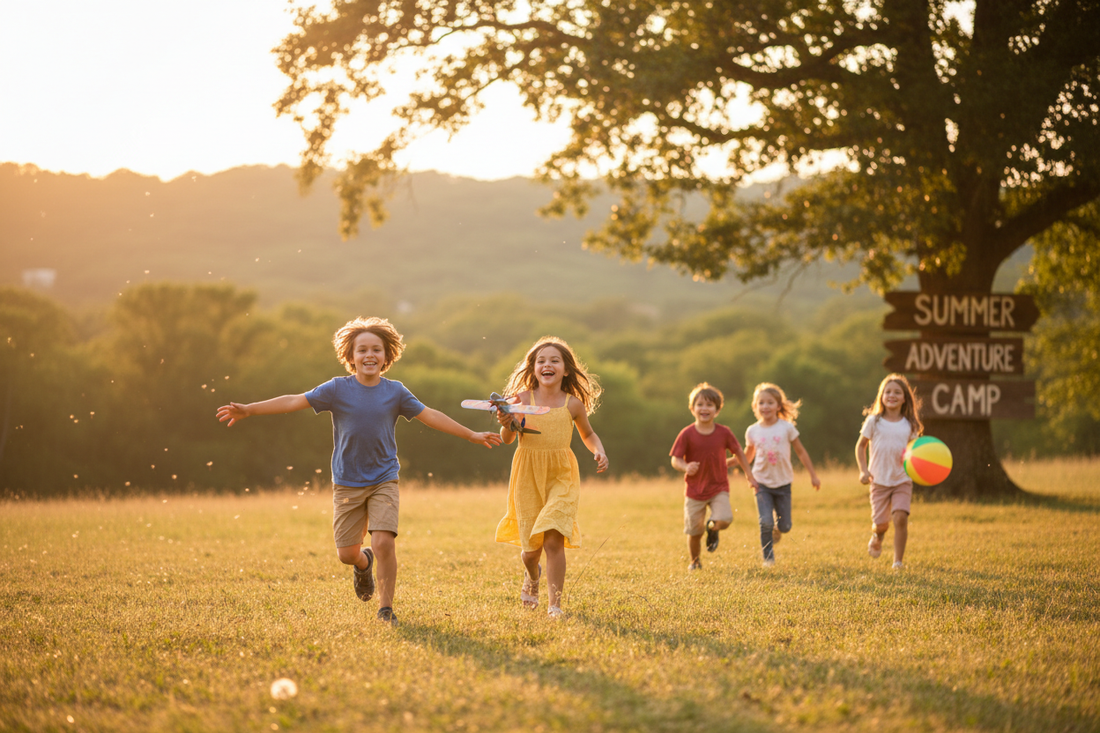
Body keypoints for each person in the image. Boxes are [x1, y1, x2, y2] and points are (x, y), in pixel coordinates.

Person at [216, 316, 501, 626]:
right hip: (347, 482)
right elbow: (295, 400)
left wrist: (471, 435)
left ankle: (386, 609)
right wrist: (250, 409)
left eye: (376, 350)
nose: (369, 355)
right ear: (350, 357)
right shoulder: (337, 389)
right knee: (347, 553)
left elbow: (429, 415)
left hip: (384, 478)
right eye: (362, 350)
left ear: (386, 356)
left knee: (383, 543)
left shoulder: (395, 392)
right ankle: (363, 564)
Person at [494, 336, 608, 618]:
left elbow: (588, 434)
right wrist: (507, 422)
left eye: (554, 360)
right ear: (533, 368)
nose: (548, 364)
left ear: (566, 369)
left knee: (554, 539)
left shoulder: (573, 404)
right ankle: (532, 576)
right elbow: (508, 439)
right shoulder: (520, 400)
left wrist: (599, 450)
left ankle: (554, 605)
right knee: (531, 551)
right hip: (528, 475)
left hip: (562, 474)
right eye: (541, 361)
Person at [670, 383, 757, 571]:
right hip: (694, 491)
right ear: (692, 408)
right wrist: (685, 466)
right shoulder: (687, 434)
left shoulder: (723, 432)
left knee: (725, 519)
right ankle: (695, 561)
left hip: (719, 487)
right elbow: (675, 460)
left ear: (717, 410)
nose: (704, 408)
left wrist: (749, 476)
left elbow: (739, 453)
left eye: (709, 405)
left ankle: (713, 529)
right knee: (694, 531)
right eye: (700, 404)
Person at [744, 382, 822, 567]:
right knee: (765, 522)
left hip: (783, 483)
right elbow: (746, 456)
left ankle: (778, 530)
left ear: (778, 406)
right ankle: (768, 558)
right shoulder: (752, 431)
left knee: (785, 526)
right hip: (761, 483)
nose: (765, 406)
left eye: (770, 402)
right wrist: (728, 463)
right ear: (755, 406)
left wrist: (813, 475)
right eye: (761, 403)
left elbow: (801, 452)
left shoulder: (786, 428)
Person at [855, 373, 923, 570]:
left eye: (897, 392)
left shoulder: (910, 424)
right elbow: (861, 446)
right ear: (881, 396)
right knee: (881, 524)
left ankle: (898, 562)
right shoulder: (873, 421)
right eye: (887, 392)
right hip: (878, 480)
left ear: (904, 398)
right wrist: (863, 471)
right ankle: (877, 536)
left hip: (902, 479)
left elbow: (916, 451)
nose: (891, 395)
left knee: (900, 517)